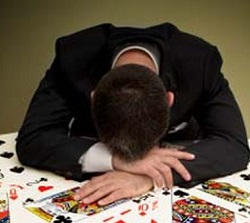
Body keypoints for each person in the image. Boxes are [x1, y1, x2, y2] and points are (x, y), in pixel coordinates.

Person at [16, 22, 249, 206]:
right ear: (94, 97)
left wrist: (151, 176)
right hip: (90, 173)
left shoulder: (201, 62)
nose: (138, 161)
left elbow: (234, 145)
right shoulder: (72, 56)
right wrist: (113, 160)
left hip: (177, 176)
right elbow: (33, 139)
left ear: (169, 100)